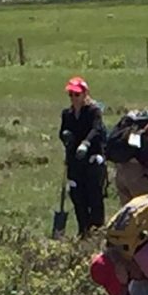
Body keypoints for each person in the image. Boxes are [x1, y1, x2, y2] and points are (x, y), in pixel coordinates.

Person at [58, 76, 107, 237]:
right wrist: (66, 136)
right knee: (78, 196)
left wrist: (86, 143)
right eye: (71, 95)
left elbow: (97, 129)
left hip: (92, 158)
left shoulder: (93, 111)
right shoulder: (67, 114)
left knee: (94, 194)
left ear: (85, 94)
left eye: (77, 94)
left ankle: (97, 230)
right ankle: (83, 231)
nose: (74, 98)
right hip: (74, 160)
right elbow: (62, 131)